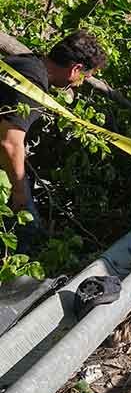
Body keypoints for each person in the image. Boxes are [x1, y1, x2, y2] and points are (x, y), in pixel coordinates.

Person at [1, 30, 107, 249]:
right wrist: (19, 193)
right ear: (75, 69)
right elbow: (9, 143)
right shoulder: (32, 84)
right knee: (26, 228)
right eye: (84, 77)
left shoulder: (25, 63)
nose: (79, 84)